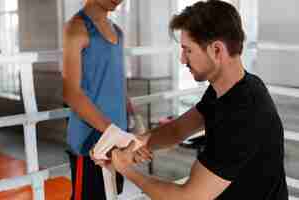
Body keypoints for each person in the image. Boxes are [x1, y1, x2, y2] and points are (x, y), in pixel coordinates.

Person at [107, 1, 289, 199]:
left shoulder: (244, 113)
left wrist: (126, 169)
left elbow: (189, 198)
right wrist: (136, 143)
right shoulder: (229, 89)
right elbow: (177, 129)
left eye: (188, 50)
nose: (182, 59)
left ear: (217, 50)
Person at [62, 0, 133, 199]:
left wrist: (131, 120)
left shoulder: (117, 31)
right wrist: (113, 131)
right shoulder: (76, 27)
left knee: (111, 195)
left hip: (117, 140)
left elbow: (115, 82)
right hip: (89, 143)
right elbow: (71, 93)